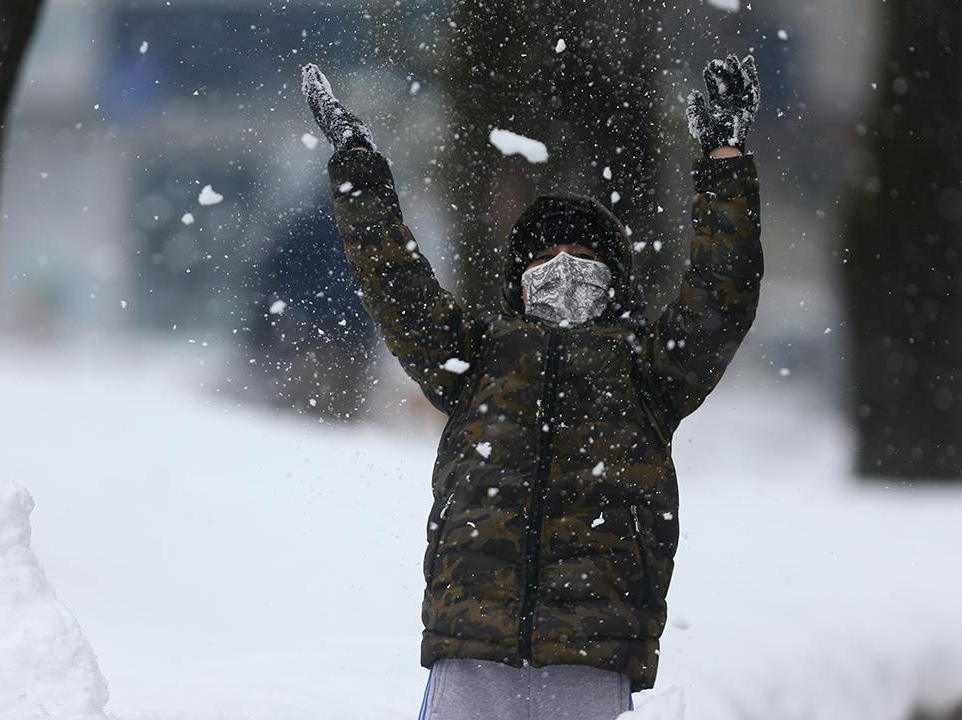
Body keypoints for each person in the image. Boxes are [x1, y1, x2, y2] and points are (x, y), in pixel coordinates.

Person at [301, 54, 762, 719]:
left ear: (616, 280)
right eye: (544, 258)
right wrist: (358, 170)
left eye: (583, 258)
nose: (563, 270)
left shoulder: (648, 369)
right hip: (474, 646)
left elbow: (723, 294)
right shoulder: (476, 355)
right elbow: (398, 287)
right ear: (517, 281)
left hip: (592, 651)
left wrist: (723, 158)